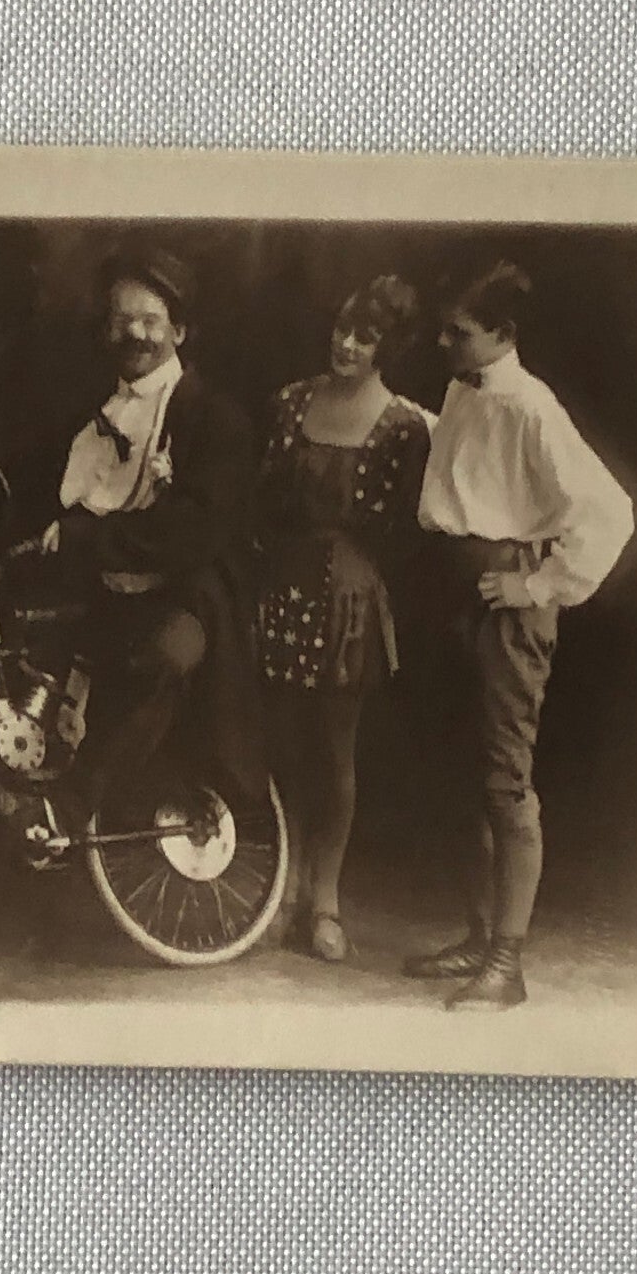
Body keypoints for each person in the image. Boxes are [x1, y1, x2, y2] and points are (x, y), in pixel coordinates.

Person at [405, 259, 634, 1009]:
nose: (445, 341)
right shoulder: (462, 391)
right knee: (461, 775)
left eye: (460, 333)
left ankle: (508, 962)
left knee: (506, 781)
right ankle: (477, 935)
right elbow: (470, 473)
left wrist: (533, 586)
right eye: (445, 328)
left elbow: (608, 512)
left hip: (507, 602)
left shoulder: (533, 407)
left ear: (504, 335)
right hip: (455, 591)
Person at [33, 244, 264, 823]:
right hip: (103, 588)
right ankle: (33, 791)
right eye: (121, 320)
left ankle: (86, 805)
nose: (134, 333)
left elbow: (196, 531)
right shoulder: (97, 411)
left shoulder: (215, 418)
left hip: (188, 593)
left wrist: (91, 540)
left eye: (150, 320)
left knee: (161, 660)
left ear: (179, 331)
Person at [256, 276, 431, 962]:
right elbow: (262, 499)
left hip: (349, 602)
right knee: (280, 743)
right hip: (283, 586)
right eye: (343, 327)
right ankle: (286, 885)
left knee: (333, 752)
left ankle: (324, 899)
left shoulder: (404, 426)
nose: (347, 343)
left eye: (366, 336)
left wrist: (364, 576)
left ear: (389, 348)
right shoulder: (289, 403)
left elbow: (411, 532)